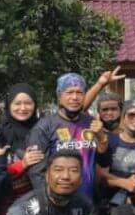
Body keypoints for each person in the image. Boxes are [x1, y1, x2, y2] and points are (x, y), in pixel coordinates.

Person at [27, 72, 107, 201]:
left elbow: (102, 157)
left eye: (79, 92)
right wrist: (48, 201)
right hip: (57, 202)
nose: (74, 97)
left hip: (88, 201)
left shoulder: (91, 123)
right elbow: (36, 171)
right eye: (69, 92)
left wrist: (101, 136)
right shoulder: (44, 126)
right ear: (59, 97)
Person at [0, 83, 43, 215]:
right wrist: (22, 164)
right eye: (17, 103)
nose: (23, 108)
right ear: (9, 105)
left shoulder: (44, 131)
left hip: (40, 205)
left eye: (28, 103)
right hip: (5, 209)